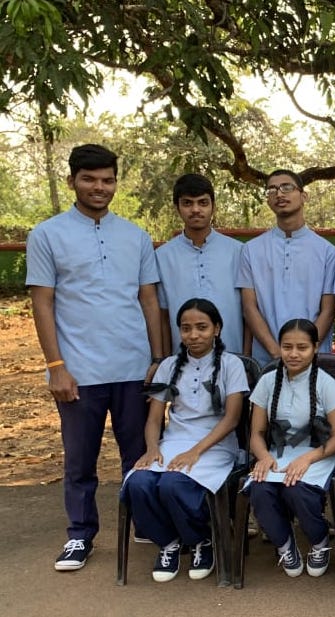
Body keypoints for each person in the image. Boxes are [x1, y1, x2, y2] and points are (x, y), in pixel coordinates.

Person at [26, 144, 164, 571]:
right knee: (80, 459)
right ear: (72, 181)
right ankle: (81, 534)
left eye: (107, 180)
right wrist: (56, 367)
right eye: (89, 179)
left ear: (115, 183)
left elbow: (148, 300)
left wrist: (158, 359)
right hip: (79, 371)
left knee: (138, 452)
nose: (99, 187)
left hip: (132, 366)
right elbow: (43, 303)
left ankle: (144, 521)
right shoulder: (47, 235)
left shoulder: (135, 236)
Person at [122, 299, 248, 582]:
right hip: (173, 443)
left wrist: (195, 452)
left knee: (172, 484)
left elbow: (232, 419)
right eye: (186, 328)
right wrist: (152, 449)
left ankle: (202, 540)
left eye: (202, 327)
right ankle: (168, 542)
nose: (194, 335)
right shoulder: (168, 365)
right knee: (138, 482)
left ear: (217, 328)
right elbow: (154, 418)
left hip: (215, 446)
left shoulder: (232, 365)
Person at [246, 319, 335, 578]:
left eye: (302, 347)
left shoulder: (326, 384)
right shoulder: (268, 382)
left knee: (297, 490)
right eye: (287, 346)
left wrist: (308, 459)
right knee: (259, 488)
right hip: (278, 454)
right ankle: (285, 545)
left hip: (319, 453)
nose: (293, 354)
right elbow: (256, 433)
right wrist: (264, 456)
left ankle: (320, 541)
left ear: (315, 348)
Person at [237, 169, 335, 365]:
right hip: (266, 361)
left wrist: (304, 351)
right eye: (272, 190)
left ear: (304, 196)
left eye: (286, 187)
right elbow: (249, 307)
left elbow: (328, 310)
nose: (279, 194)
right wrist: (276, 352)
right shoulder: (251, 250)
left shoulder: (328, 252)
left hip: (314, 362)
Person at [155, 173, 246, 356]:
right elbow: (163, 316)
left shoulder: (238, 252)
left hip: (233, 357)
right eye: (188, 203)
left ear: (214, 207)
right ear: (177, 208)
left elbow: (249, 311)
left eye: (203, 203)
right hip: (181, 360)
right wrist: (164, 361)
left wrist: (247, 359)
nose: (195, 209)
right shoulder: (162, 256)